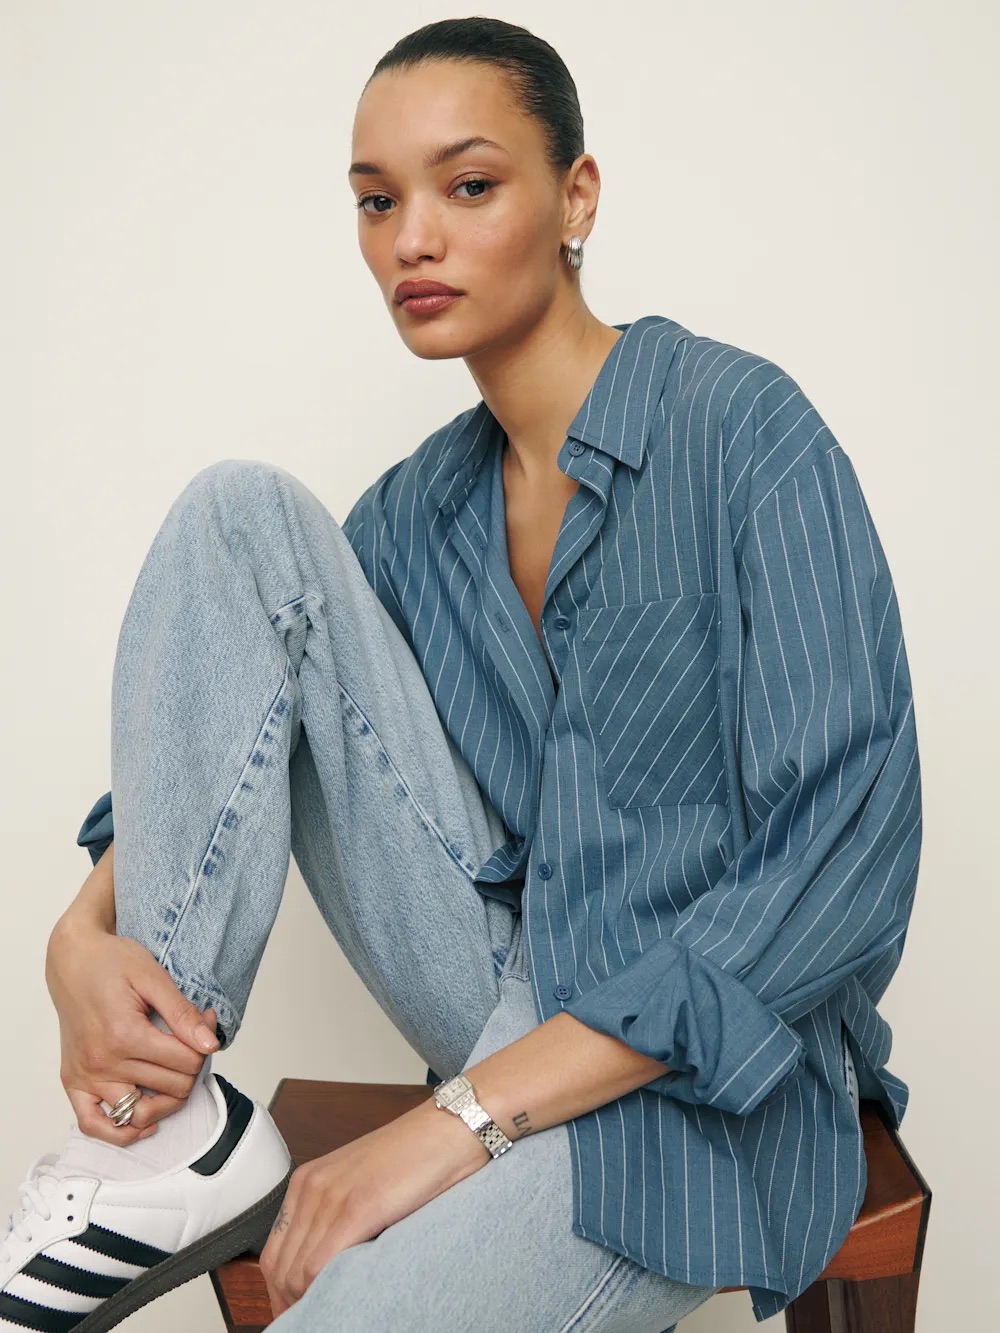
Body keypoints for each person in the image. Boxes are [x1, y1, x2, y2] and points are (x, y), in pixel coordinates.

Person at [1, 15, 922, 1333]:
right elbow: (224, 734)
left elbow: (835, 870)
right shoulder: (415, 516)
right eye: (377, 202)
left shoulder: (743, 432)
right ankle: (167, 1138)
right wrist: (74, 941)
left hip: (703, 1081)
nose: (411, 240)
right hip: (493, 976)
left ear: (576, 197)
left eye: (468, 185)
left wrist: (455, 1121)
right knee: (238, 517)